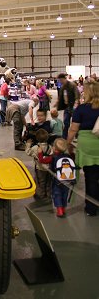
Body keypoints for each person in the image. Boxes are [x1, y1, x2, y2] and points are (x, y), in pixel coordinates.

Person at [67, 81, 99, 216]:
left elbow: (73, 129)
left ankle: (91, 208)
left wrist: (67, 144)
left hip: (87, 146)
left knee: (91, 178)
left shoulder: (81, 109)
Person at [38, 138, 75, 217]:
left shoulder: (53, 157)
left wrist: (40, 153)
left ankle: (60, 211)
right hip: (67, 180)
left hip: (57, 180)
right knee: (64, 194)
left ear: (54, 148)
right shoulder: (69, 156)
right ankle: (64, 209)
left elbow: (41, 160)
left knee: (57, 194)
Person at [25, 129, 52, 200]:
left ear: (37, 138)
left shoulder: (35, 148)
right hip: (48, 168)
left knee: (40, 182)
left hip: (39, 168)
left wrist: (28, 144)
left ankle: (41, 195)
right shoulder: (50, 147)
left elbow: (28, 152)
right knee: (48, 181)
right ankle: (48, 194)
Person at [55, 73, 80, 139]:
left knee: (75, 122)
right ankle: (64, 137)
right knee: (66, 122)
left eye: (60, 80)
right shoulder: (63, 87)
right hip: (67, 107)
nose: (60, 82)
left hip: (73, 107)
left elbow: (77, 94)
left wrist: (76, 103)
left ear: (63, 79)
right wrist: (57, 103)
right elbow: (60, 96)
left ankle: (77, 135)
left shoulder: (72, 85)